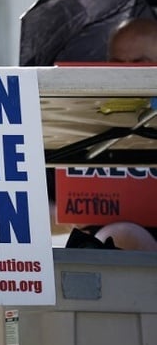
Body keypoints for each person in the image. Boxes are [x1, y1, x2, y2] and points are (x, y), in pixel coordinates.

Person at [63, 17, 157, 252]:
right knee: (119, 237)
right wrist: (69, 213)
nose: (126, 72)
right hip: (99, 244)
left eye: (139, 63)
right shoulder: (78, 119)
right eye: (117, 63)